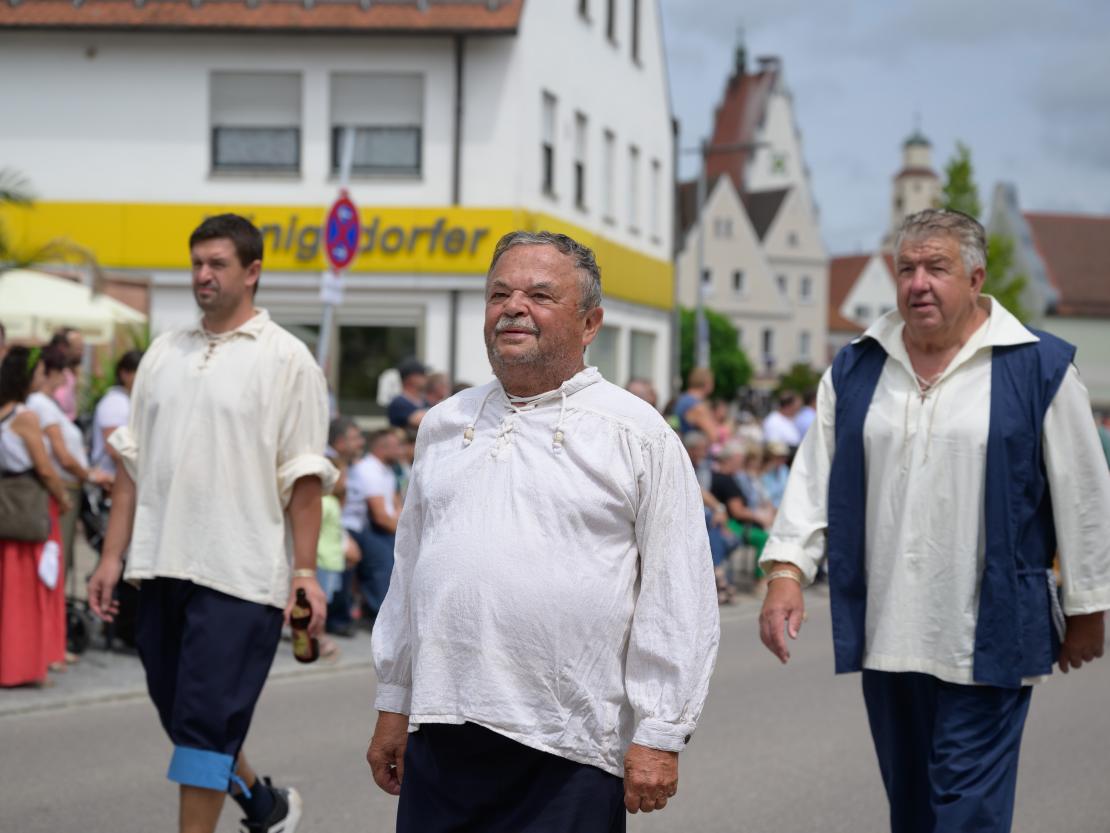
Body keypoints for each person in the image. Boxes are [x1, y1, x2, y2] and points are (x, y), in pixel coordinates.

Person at [758, 209, 1110, 833]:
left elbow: (1085, 495)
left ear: (976, 277)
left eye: (936, 267)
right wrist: (787, 568)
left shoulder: (1039, 367)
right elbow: (814, 478)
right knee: (914, 808)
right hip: (889, 629)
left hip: (992, 632)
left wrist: (1088, 607)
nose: (918, 282)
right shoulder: (856, 367)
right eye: (907, 268)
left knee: (967, 811)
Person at [367, 230, 719, 832]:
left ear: (589, 323)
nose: (513, 306)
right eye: (499, 292)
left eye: (539, 294)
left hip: (568, 748)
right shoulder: (444, 425)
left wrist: (661, 731)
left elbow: (677, 590)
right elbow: (409, 575)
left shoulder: (637, 434)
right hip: (442, 734)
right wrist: (393, 702)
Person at [86, 214, 336, 833]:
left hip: (240, 573)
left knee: (201, 724)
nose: (203, 274)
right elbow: (130, 465)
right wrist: (112, 558)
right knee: (186, 717)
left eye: (218, 263)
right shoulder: (163, 353)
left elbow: (303, 478)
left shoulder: (288, 360)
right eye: (197, 262)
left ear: (251, 272)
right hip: (158, 564)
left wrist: (304, 573)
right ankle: (265, 807)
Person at [0, 347, 72, 687]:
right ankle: (22, 666)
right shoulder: (25, 417)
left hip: (5, 505)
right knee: (29, 593)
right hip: (28, 507)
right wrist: (63, 496)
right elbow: (44, 467)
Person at [28, 345, 111, 598]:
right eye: (65, 371)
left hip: (68, 488)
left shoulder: (48, 405)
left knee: (61, 560)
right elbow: (62, 455)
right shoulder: (41, 404)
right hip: (62, 490)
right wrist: (91, 475)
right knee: (56, 561)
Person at [351, 429, 402, 622]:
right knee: (384, 562)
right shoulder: (369, 469)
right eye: (396, 447)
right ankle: (383, 616)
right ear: (382, 448)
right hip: (367, 528)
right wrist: (404, 536)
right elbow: (379, 516)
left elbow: (396, 505)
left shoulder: (386, 469)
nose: (400, 451)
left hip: (383, 528)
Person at [329, 416, 367, 637]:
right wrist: (344, 537)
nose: (360, 442)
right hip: (337, 525)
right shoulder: (332, 464)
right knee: (350, 555)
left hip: (355, 524)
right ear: (340, 442)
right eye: (355, 438)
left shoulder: (351, 464)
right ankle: (337, 619)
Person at [90, 349, 143, 480]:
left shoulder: (127, 400)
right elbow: (114, 448)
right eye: (140, 373)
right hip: (112, 479)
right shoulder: (115, 402)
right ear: (124, 374)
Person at [47, 327, 83, 422]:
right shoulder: (59, 375)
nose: (81, 353)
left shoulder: (70, 374)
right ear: (62, 347)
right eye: (77, 348)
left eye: (81, 348)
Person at [674, 367, 719, 437]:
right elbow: (713, 435)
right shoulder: (697, 406)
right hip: (694, 446)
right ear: (707, 383)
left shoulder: (682, 399)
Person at [386, 359, 429, 429]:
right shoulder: (398, 403)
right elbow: (424, 422)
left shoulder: (425, 401)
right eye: (422, 374)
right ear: (411, 378)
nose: (426, 377)